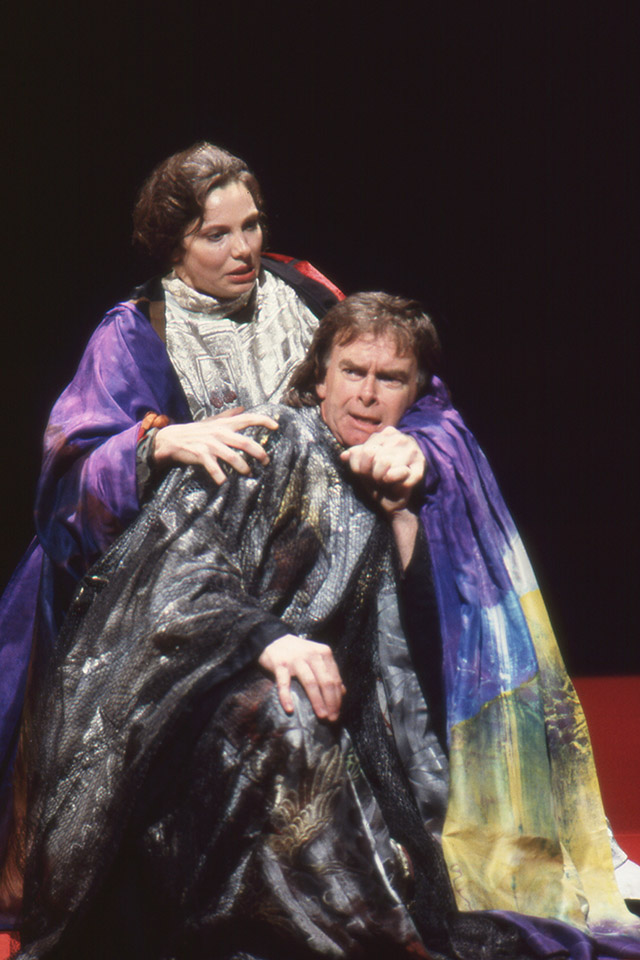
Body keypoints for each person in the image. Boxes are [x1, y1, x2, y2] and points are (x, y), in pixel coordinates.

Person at [17, 295, 640, 960]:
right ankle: (370, 942)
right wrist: (267, 641)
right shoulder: (265, 444)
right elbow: (176, 584)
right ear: (321, 376)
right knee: (286, 714)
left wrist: (403, 518)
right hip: (199, 706)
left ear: (416, 395)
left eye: (390, 379)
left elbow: (419, 651)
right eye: (353, 372)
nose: (368, 395)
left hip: (347, 717)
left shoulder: (393, 476)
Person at [0, 142, 346, 919]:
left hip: (311, 551)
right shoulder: (137, 329)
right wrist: (156, 443)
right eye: (216, 235)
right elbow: (68, 471)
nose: (244, 248)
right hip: (179, 579)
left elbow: (387, 368)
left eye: (251, 226)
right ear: (173, 245)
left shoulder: (304, 291)